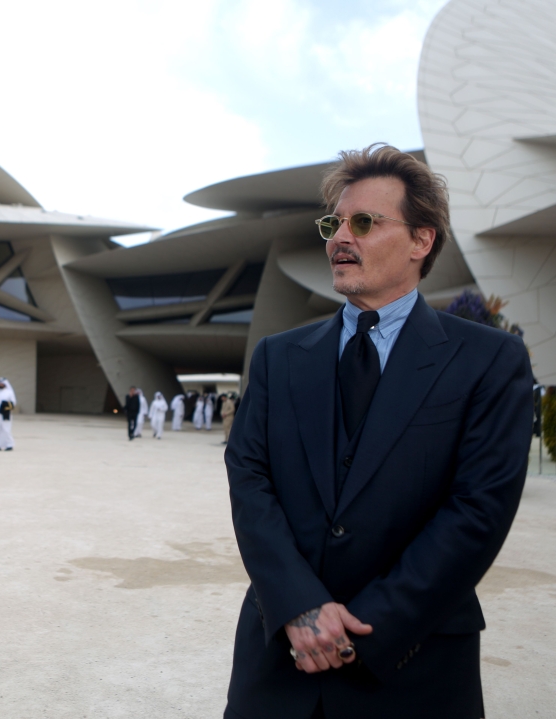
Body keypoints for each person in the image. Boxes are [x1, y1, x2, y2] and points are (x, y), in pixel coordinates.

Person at [224, 145, 533, 719]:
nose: (341, 236)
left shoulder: (490, 360)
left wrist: (367, 629)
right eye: (332, 223)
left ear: (422, 240)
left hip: (413, 667)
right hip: (280, 667)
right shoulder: (277, 357)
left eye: (363, 222)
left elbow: (478, 510)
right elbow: (249, 479)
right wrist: (299, 606)